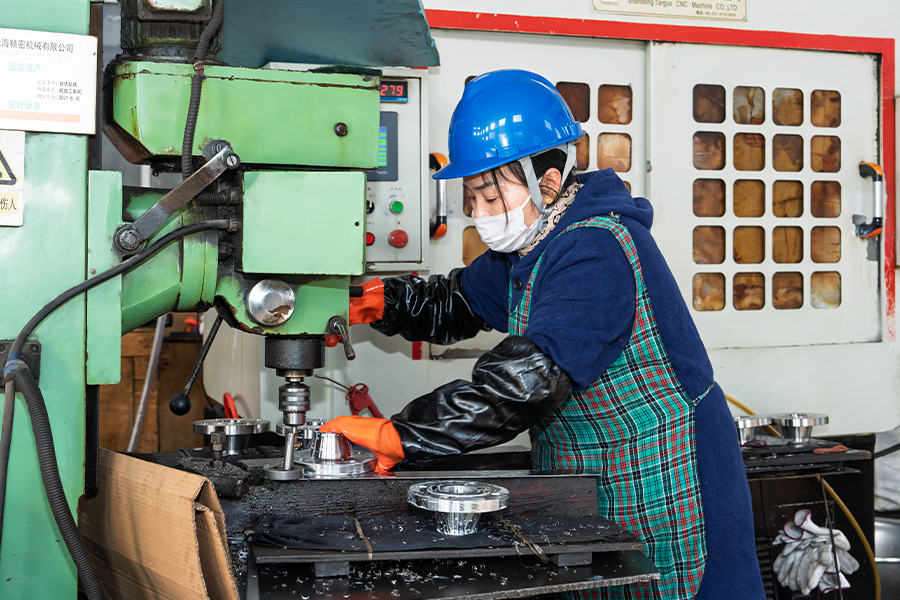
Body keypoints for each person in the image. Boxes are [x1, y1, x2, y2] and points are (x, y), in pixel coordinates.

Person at [321, 70, 765, 599]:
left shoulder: (596, 249)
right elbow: (458, 301)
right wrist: (379, 302)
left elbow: (526, 382)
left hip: (665, 475)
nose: (479, 215)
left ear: (547, 183)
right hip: (587, 475)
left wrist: (401, 436)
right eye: (471, 197)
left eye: (491, 197)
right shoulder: (533, 244)